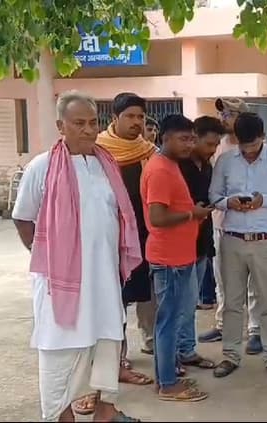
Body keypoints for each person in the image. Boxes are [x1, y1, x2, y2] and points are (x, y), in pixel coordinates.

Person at [11, 90, 142, 422]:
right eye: (79, 123)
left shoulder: (107, 165)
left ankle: (106, 411)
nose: (88, 130)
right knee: (60, 347)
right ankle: (61, 414)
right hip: (61, 283)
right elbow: (23, 217)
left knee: (108, 340)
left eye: (93, 122)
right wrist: (49, 258)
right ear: (61, 126)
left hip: (104, 277)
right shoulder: (41, 167)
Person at [209, 112, 267, 380]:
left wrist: (266, 200)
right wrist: (228, 202)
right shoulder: (226, 160)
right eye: (243, 145)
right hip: (232, 240)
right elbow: (213, 195)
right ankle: (230, 355)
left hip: (266, 241)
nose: (248, 151)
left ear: (263, 136)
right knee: (232, 301)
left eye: (253, 145)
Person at [140, 114, 213, 402]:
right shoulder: (160, 169)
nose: (189, 144)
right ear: (165, 138)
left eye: (192, 139)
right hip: (168, 259)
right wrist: (192, 214)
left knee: (172, 319)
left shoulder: (170, 165)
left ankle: (167, 376)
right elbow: (157, 217)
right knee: (168, 322)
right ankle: (167, 384)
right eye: (183, 139)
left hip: (180, 255)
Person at [94, 93, 155, 393]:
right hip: (108, 238)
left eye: (140, 117)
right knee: (112, 302)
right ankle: (116, 359)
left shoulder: (149, 152)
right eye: (130, 116)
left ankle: (149, 344)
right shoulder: (97, 152)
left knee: (144, 295)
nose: (136, 122)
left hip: (143, 235)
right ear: (114, 119)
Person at [198, 97, 263, 355]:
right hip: (222, 224)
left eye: (229, 114)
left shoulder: (262, 150)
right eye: (222, 114)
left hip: (255, 227)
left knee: (254, 283)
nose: (223, 118)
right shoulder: (218, 147)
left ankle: (255, 330)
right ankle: (223, 325)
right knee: (223, 280)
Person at [175, 116, 224, 371]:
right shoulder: (175, 165)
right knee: (177, 305)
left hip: (201, 241)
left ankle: (186, 350)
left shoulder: (206, 165)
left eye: (216, 145)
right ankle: (173, 355)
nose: (212, 150)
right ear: (194, 138)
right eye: (208, 144)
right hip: (178, 244)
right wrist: (192, 212)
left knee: (191, 302)